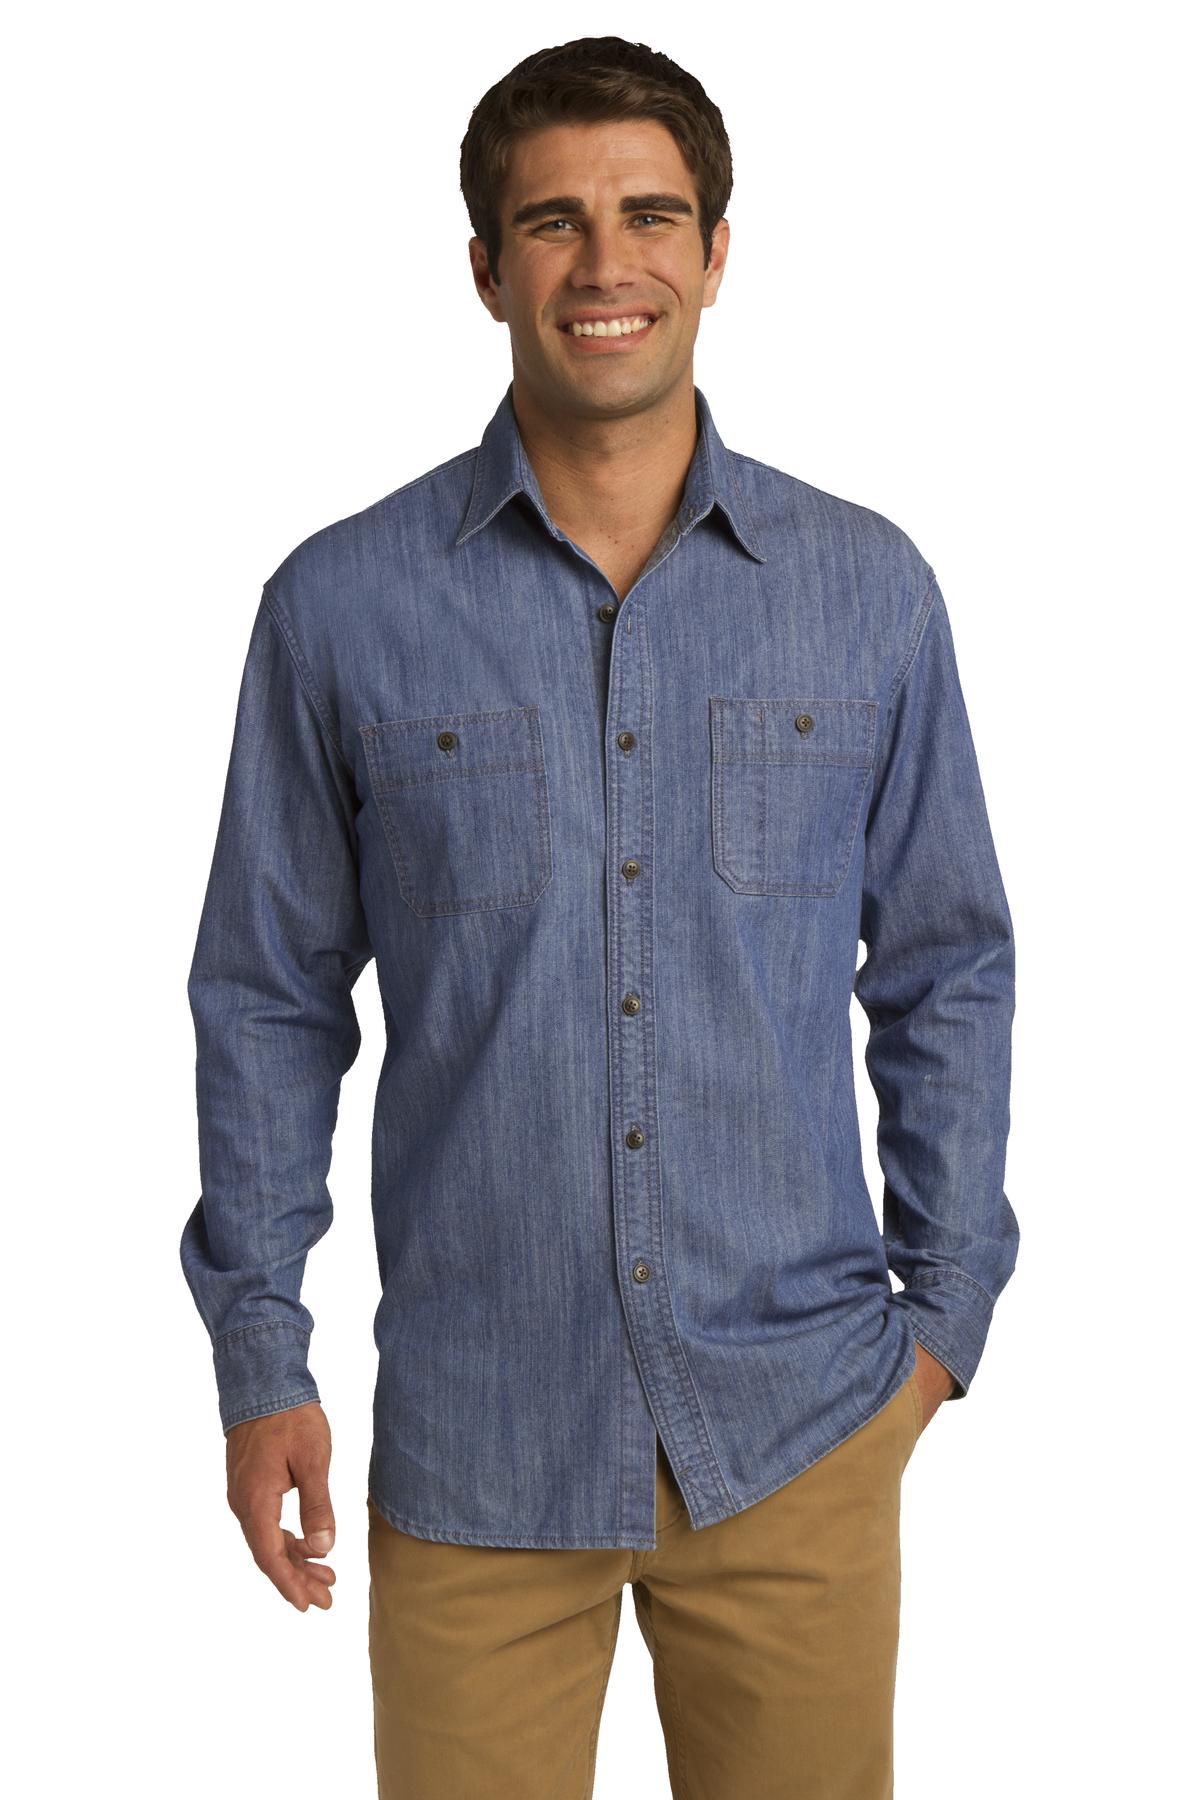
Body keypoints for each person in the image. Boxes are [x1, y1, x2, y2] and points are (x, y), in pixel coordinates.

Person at [181, 34, 1018, 1799]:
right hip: (478, 1448)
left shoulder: (866, 592)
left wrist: (942, 1323)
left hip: (799, 1433)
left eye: (650, 215)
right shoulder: (341, 607)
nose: (605, 263)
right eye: (552, 222)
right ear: (486, 268)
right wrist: (263, 1356)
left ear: (717, 253)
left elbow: (947, 968)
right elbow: (267, 996)